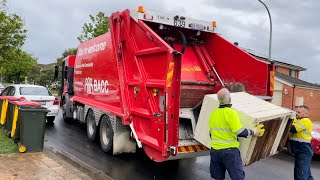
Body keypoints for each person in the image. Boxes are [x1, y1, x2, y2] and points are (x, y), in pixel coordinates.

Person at [208, 88, 265, 180]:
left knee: (218, 178)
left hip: (215, 151)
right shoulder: (231, 113)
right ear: (230, 99)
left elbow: (211, 134)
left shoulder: (213, 114)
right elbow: (240, 132)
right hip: (229, 152)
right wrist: (254, 131)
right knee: (238, 178)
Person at [289, 105, 314, 180]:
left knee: (301, 175)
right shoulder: (297, 120)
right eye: (296, 111)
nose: (296, 113)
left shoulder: (305, 121)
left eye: (298, 112)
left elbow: (292, 129)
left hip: (303, 150)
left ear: (306, 114)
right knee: (306, 175)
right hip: (300, 149)